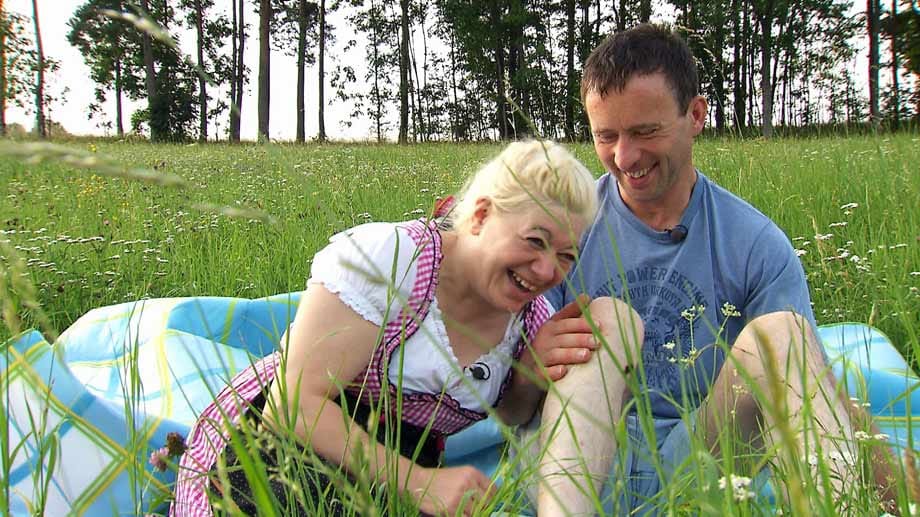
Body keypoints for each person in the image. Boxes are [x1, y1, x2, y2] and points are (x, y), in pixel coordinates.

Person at [520, 24, 897, 516]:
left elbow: (805, 383)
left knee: (782, 334)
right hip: (568, 467)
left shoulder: (754, 243)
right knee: (604, 320)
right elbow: (504, 388)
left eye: (645, 131)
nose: (624, 157)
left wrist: (891, 477)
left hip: (695, 463)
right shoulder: (565, 227)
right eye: (605, 136)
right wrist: (528, 366)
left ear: (695, 114)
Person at [169, 140, 599, 517]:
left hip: (397, 477)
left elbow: (510, 415)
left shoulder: (531, 318)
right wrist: (420, 483)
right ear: (482, 216)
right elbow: (292, 404)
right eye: (535, 240)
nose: (547, 270)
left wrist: (529, 373)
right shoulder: (391, 261)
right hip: (290, 449)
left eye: (567, 255)